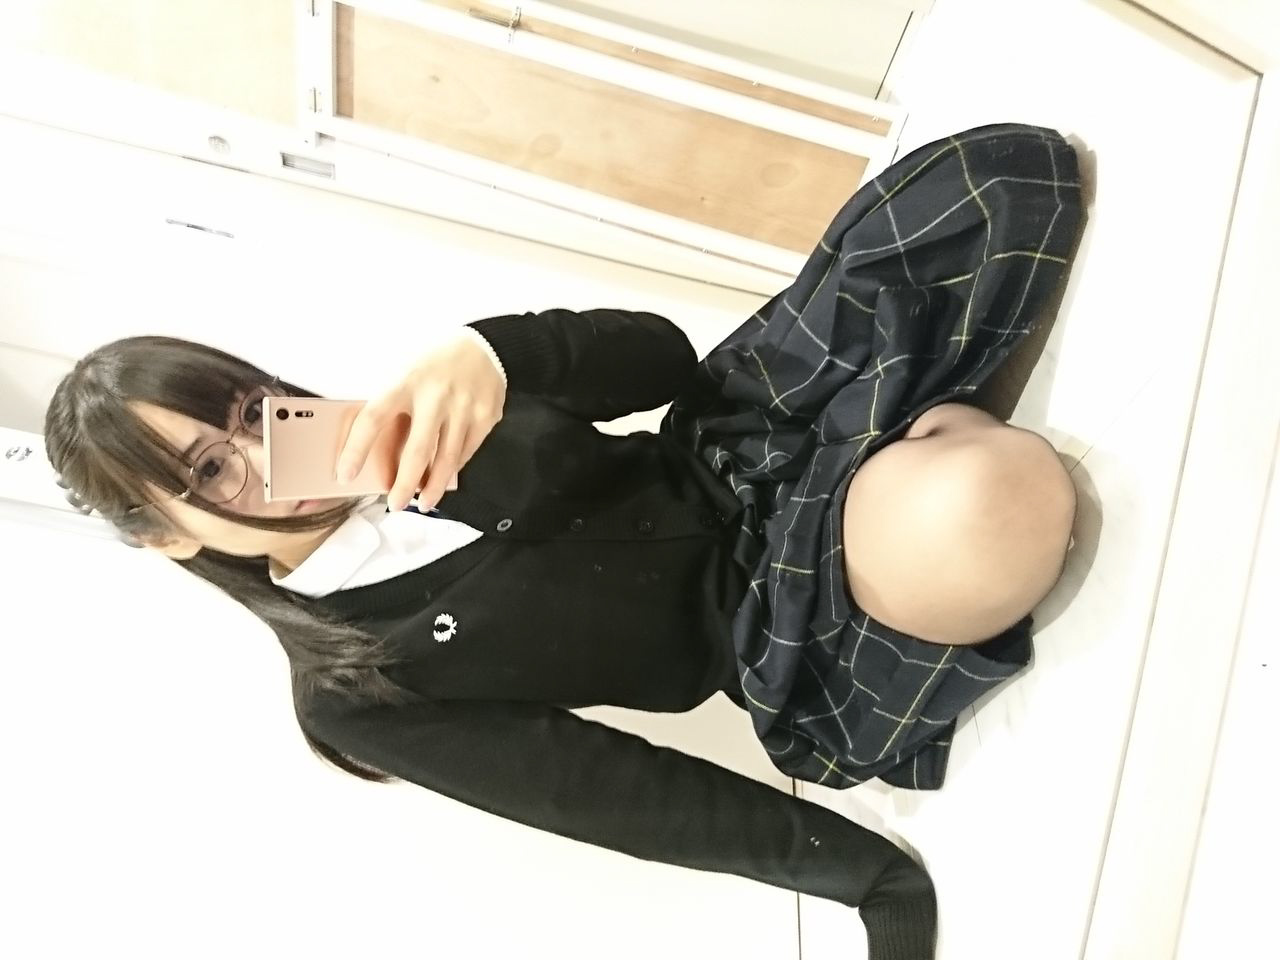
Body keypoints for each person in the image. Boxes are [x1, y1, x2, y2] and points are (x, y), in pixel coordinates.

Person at [44, 123, 1083, 960]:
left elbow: (666, 363)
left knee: (995, 176)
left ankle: (906, 437)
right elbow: (619, 797)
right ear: (165, 538)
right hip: (779, 618)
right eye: (211, 472)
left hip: (743, 435)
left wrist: (493, 353)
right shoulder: (352, 690)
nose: (261, 455)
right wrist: (876, 883)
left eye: (248, 409)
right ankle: (917, 440)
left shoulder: (422, 416)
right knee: (988, 502)